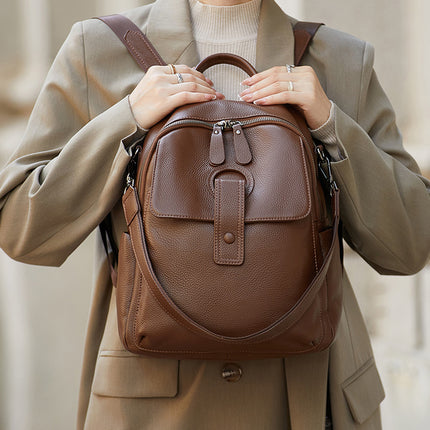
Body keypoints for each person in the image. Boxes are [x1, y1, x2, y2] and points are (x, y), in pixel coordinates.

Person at [0, 0, 429, 428]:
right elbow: (22, 227)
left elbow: (410, 245)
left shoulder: (342, 60)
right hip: (150, 407)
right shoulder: (98, 49)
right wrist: (126, 119)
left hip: (311, 399)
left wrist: (332, 126)